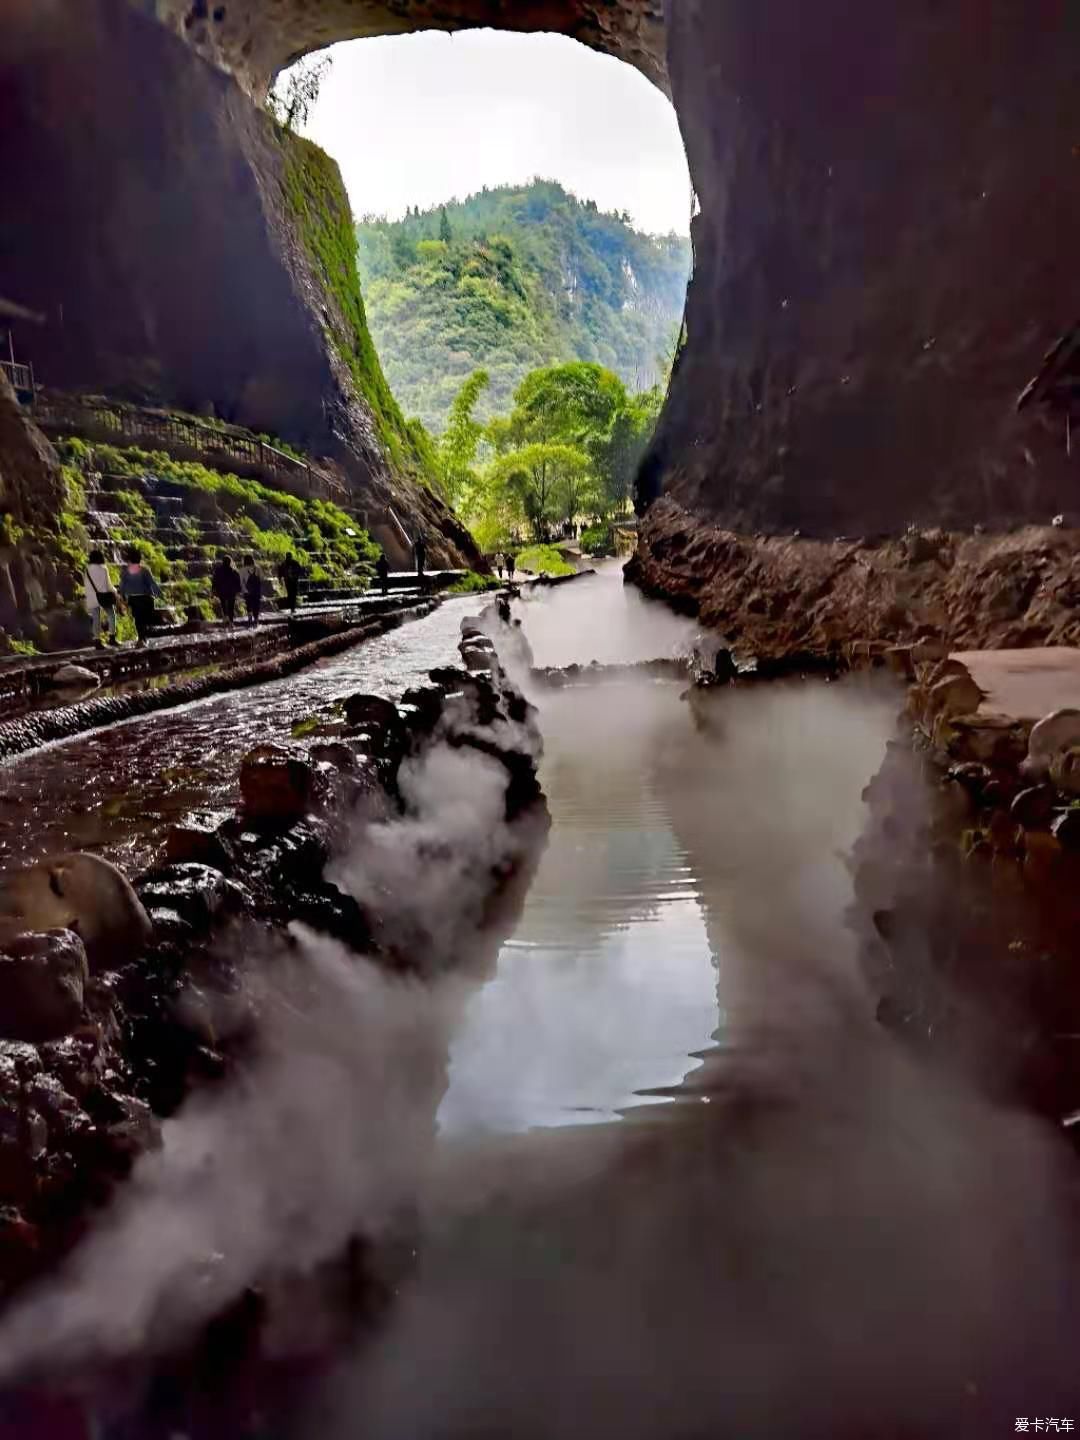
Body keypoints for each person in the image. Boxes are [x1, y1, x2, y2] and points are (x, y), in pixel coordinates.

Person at [118, 546, 163, 647]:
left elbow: (122, 587)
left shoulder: (125, 572)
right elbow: (152, 583)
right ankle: (143, 639)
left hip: (134, 599)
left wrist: (122, 599)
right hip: (146, 599)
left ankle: (141, 639)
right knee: (144, 619)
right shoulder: (144, 570)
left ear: (129, 559)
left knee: (138, 619)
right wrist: (159, 594)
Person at [83, 548, 118, 647]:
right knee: (111, 615)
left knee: (96, 619)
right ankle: (112, 638)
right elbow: (108, 585)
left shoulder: (87, 570)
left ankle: (97, 641)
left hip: (92, 597)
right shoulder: (103, 569)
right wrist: (115, 592)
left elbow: (86, 584)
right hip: (104, 596)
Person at [212, 553, 242, 626]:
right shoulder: (234, 571)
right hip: (231, 591)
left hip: (221, 590)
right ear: (230, 562)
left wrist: (213, 589)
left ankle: (225, 617)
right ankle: (231, 622)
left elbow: (215, 580)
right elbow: (238, 581)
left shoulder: (218, 570)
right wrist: (239, 590)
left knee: (223, 604)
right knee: (231, 606)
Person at [241, 554, 263, 625]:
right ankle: (256, 619)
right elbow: (262, 578)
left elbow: (241, 581)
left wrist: (243, 590)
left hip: (247, 591)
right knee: (256, 604)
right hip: (257, 590)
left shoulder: (242, 570)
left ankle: (250, 618)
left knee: (249, 604)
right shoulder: (258, 568)